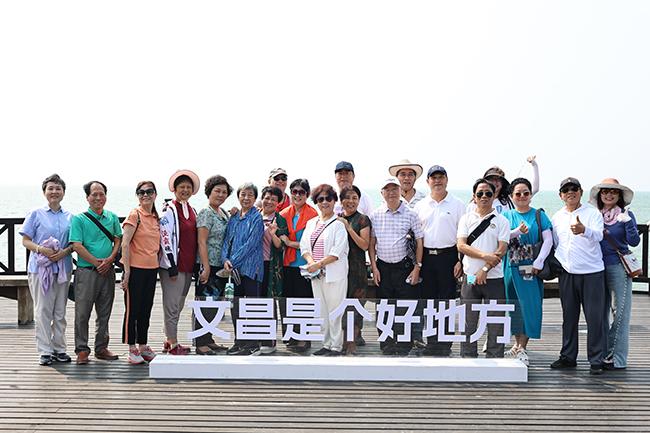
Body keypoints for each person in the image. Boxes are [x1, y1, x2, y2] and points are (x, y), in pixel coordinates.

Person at [550, 177, 607, 375]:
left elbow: (599, 235)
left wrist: (584, 230)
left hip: (592, 273)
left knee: (595, 318)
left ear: (581, 192)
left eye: (574, 188)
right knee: (569, 317)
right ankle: (568, 357)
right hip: (567, 273)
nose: (570, 192)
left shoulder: (592, 213)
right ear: (560, 195)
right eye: (566, 190)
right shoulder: (557, 217)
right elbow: (556, 243)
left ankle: (596, 360)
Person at [20, 174, 74, 366]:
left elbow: (74, 243)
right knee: (43, 310)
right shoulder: (36, 213)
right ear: (44, 192)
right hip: (40, 269)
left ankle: (60, 348)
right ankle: (45, 351)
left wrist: (64, 252)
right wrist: (41, 249)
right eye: (50, 188)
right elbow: (25, 240)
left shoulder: (70, 217)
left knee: (60, 311)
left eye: (58, 188)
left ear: (63, 192)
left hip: (63, 268)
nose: (54, 192)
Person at [413, 165, 465, 357]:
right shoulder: (420, 205)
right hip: (426, 257)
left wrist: (460, 261)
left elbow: (464, 235)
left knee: (447, 301)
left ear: (446, 180)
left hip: (449, 257)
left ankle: (445, 344)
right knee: (429, 302)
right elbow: (415, 237)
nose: (437, 181)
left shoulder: (457, 204)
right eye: (433, 178)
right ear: (428, 181)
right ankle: (432, 343)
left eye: (441, 177)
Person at [369, 177, 424, 356]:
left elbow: (419, 241)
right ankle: (387, 344)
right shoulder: (376, 214)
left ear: (400, 190)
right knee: (384, 307)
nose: (391, 193)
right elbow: (372, 243)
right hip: (383, 267)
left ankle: (404, 344)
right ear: (382, 193)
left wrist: (417, 267)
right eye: (387, 189)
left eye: (394, 189)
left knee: (405, 307)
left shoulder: (411, 213)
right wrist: (374, 267)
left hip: (405, 267)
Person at [502, 178, 554, 366]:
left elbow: (548, 240)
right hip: (510, 266)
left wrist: (539, 262)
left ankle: (523, 346)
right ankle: (516, 345)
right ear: (511, 196)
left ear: (531, 195)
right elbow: (500, 237)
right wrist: (516, 231)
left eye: (526, 193)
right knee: (513, 305)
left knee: (530, 305)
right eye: (518, 193)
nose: (522, 196)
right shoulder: (506, 215)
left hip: (531, 267)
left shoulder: (539, 215)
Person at [69, 181, 122, 364]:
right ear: (87, 197)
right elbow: (76, 245)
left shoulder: (112, 217)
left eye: (102, 194)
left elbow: (118, 239)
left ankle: (101, 347)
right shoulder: (79, 219)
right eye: (94, 194)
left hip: (108, 270)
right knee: (82, 313)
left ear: (106, 196)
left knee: (104, 311)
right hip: (87, 271)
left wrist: (110, 259)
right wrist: (97, 263)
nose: (98, 198)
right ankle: (82, 350)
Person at [589, 178, 640, 370]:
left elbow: (634, 241)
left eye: (613, 192)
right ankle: (603, 354)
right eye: (605, 191)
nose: (609, 195)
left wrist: (628, 223)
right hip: (596, 268)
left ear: (619, 196)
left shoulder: (626, 214)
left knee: (621, 313)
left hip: (618, 266)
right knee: (600, 313)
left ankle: (617, 358)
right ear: (600, 195)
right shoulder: (595, 215)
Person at [457, 179, 510, 358]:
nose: (484, 197)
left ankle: (495, 357)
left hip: (494, 279)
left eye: (488, 193)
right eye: (480, 194)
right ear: (474, 196)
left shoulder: (502, 221)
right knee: (468, 320)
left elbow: (501, 249)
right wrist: (485, 256)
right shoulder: (466, 218)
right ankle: (468, 356)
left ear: (494, 196)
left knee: (496, 321)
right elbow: (461, 246)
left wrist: (485, 268)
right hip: (470, 277)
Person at [301, 184, 349, 356]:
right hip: (316, 275)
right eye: (320, 199)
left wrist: (318, 264)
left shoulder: (339, 224)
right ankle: (326, 343)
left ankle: (336, 346)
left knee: (335, 310)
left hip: (333, 274)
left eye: (328, 198)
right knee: (322, 310)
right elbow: (304, 247)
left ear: (334, 201)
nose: (324, 202)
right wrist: (311, 263)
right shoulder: (311, 223)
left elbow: (337, 252)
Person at [159, 169, 200, 355]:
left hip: (188, 265)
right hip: (173, 266)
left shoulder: (192, 210)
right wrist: (171, 265)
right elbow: (165, 237)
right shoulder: (169, 210)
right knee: (172, 305)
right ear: (174, 189)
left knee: (179, 304)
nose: (185, 190)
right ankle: (173, 343)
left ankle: (169, 339)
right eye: (181, 187)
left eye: (188, 187)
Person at [222, 183, 265, 356]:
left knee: (252, 307)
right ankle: (239, 341)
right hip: (234, 271)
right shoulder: (234, 217)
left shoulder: (257, 218)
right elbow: (227, 240)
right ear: (238, 197)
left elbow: (251, 244)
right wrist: (225, 259)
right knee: (236, 306)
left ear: (255, 198)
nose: (246, 198)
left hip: (251, 269)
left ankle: (252, 343)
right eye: (243, 194)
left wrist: (232, 260)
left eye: (250, 195)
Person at [120, 181, 160, 364]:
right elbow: (125, 243)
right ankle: (131, 348)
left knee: (146, 309)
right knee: (132, 310)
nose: (145, 195)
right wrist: (127, 271)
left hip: (152, 269)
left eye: (149, 192)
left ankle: (143, 345)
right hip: (135, 269)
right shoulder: (134, 214)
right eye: (141, 192)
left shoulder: (156, 217)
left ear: (155, 194)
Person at [194, 175, 232, 355]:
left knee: (215, 304)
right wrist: (206, 267)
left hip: (220, 267)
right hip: (208, 265)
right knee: (205, 303)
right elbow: (201, 241)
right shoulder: (206, 213)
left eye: (224, 192)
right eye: (217, 191)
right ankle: (200, 342)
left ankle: (208, 338)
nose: (221, 195)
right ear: (209, 192)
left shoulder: (223, 213)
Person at [279, 178, 318, 353]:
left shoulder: (313, 215)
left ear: (307, 194)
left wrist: (289, 243)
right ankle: (291, 335)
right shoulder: (283, 214)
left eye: (301, 192)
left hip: (305, 265)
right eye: (294, 191)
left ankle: (303, 338)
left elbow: (311, 243)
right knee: (288, 302)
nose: (297, 195)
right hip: (287, 264)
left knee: (304, 302)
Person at [337, 185, 371, 355]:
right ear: (341, 200)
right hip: (339, 270)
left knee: (355, 307)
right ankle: (342, 340)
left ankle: (352, 343)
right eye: (347, 198)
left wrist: (349, 228)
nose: (351, 201)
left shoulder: (363, 219)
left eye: (355, 198)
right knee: (340, 307)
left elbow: (364, 245)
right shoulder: (336, 219)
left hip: (357, 270)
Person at [259, 186, 289, 354]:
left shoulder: (280, 220)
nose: (269, 201)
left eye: (273, 199)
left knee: (269, 302)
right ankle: (256, 338)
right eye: (267, 198)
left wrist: (272, 233)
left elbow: (280, 246)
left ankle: (269, 341)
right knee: (256, 302)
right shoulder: (255, 215)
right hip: (254, 266)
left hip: (271, 266)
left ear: (278, 203)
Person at [476, 156, 540, 214]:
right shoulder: (476, 202)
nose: (495, 182)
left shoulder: (510, 199)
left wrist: (534, 165)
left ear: (502, 183)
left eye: (498, 179)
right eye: (491, 179)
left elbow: (535, 189)